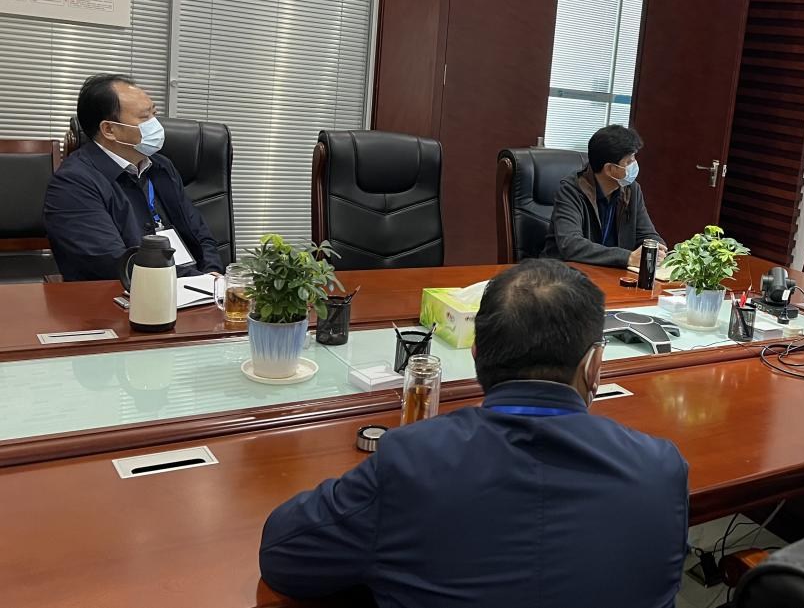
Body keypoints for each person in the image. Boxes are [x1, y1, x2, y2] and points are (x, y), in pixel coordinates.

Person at [259, 259, 689, 608]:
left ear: (477, 354)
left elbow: (283, 554)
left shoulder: (412, 461)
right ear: (594, 366)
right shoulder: (661, 469)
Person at [43, 74, 223, 281]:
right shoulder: (73, 184)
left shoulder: (161, 166)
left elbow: (200, 234)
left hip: (194, 287)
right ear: (109, 130)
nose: (156, 124)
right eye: (145, 117)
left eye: (154, 114)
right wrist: (197, 281)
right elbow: (113, 263)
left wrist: (212, 274)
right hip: (125, 293)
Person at [541, 124, 665, 268]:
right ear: (609, 169)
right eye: (629, 161)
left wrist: (657, 248)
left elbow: (647, 234)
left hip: (610, 271)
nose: (635, 165)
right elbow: (571, 245)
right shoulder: (571, 190)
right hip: (564, 272)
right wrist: (628, 257)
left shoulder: (631, 190)